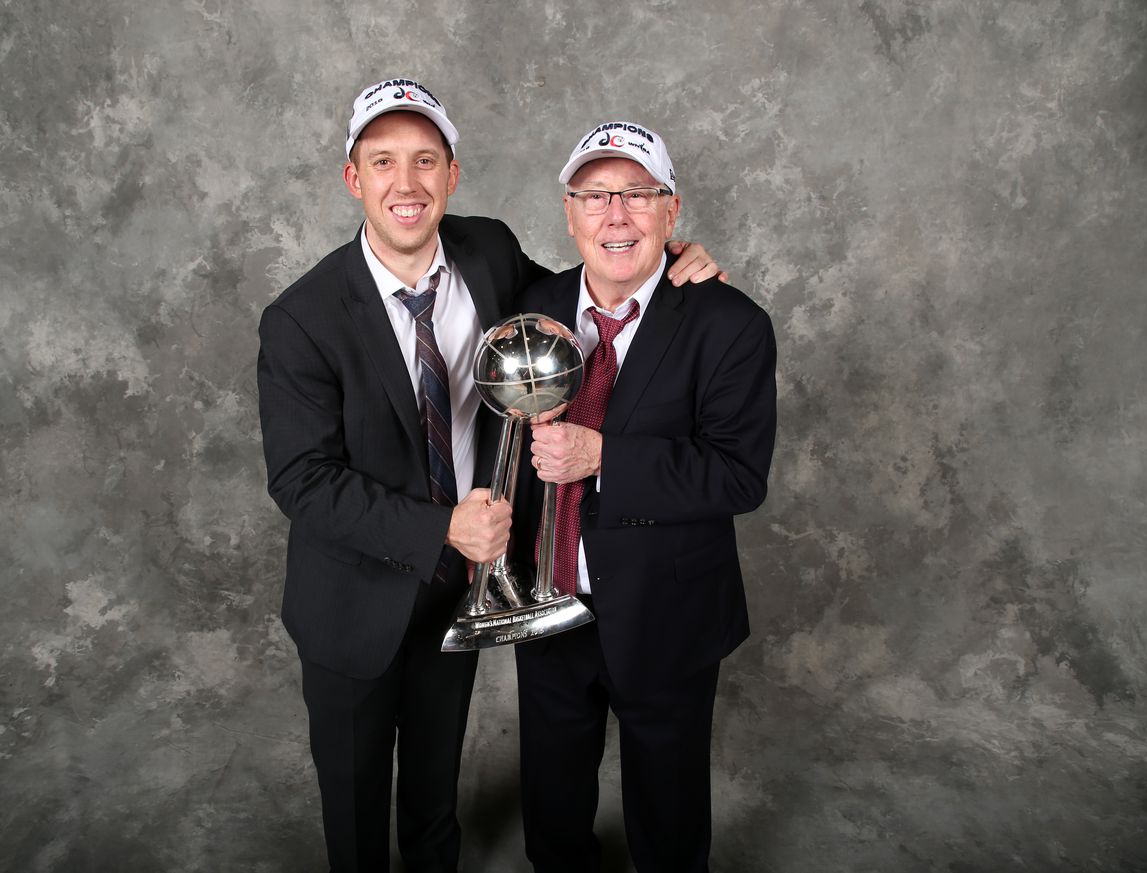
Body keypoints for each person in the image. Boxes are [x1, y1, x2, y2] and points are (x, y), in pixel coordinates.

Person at [256, 79, 727, 873]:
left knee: (434, 797)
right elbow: (301, 479)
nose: (405, 185)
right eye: (383, 163)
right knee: (358, 803)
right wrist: (440, 525)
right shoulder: (301, 318)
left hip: (460, 592)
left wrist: (668, 258)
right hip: (352, 605)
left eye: (424, 162)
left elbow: (586, 290)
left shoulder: (489, 253)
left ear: (452, 174)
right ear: (354, 179)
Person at [511, 122, 778, 873]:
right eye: (595, 196)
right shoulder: (532, 303)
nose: (615, 215)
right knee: (554, 804)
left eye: (637, 194)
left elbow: (737, 475)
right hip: (550, 602)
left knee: (667, 812)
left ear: (671, 211)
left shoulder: (731, 325)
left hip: (670, 614)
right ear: (569, 213)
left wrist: (603, 456)